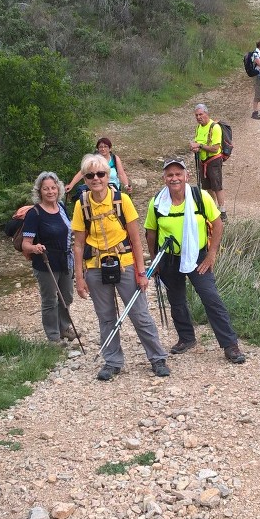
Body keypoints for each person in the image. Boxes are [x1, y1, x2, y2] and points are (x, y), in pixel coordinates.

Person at [71, 153, 170, 381]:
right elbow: (77, 244)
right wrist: (79, 277)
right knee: (106, 317)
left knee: (139, 314)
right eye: (90, 175)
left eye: (101, 174)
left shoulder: (122, 200)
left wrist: (141, 272)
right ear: (85, 179)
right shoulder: (81, 205)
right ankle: (112, 361)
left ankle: (157, 358)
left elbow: (136, 240)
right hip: (95, 266)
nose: (96, 178)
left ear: (108, 175)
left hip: (124, 263)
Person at [144, 159, 246, 364]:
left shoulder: (201, 197)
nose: (174, 178)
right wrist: (154, 260)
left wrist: (211, 254)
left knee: (210, 297)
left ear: (186, 176)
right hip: (169, 258)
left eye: (178, 174)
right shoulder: (157, 202)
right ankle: (186, 338)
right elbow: (151, 233)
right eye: (170, 175)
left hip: (198, 256)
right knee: (176, 299)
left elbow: (217, 225)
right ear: (164, 179)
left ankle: (230, 345)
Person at [21, 171, 75, 346]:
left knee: (66, 297)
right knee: (50, 299)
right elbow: (25, 244)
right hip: (45, 263)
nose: (50, 191)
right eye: (46, 189)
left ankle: (64, 327)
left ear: (58, 189)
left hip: (65, 260)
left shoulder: (61, 207)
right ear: (39, 191)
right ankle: (53, 336)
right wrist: (35, 247)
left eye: (53, 188)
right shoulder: (34, 214)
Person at [190, 103, 227, 218]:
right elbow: (198, 142)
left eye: (201, 114)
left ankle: (222, 211)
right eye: (196, 115)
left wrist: (199, 145)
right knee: (207, 186)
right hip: (203, 160)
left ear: (206, 113)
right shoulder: (198, 127)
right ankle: (212, 208)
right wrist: (194, 147)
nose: (198, 117)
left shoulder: (215, 127)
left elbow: (215, 148)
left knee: (217, 186)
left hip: (214, 160)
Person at [66, 137, 133, 195]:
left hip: (114, 190)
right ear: (98, 149)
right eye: (101, 147)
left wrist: (126, 186)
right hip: (96, 188)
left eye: (105, 146)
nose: (103, 149)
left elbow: (121, 174)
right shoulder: (93, 161)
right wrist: (71, 185)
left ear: (110, 148)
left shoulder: (115, 159)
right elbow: (82, 173)